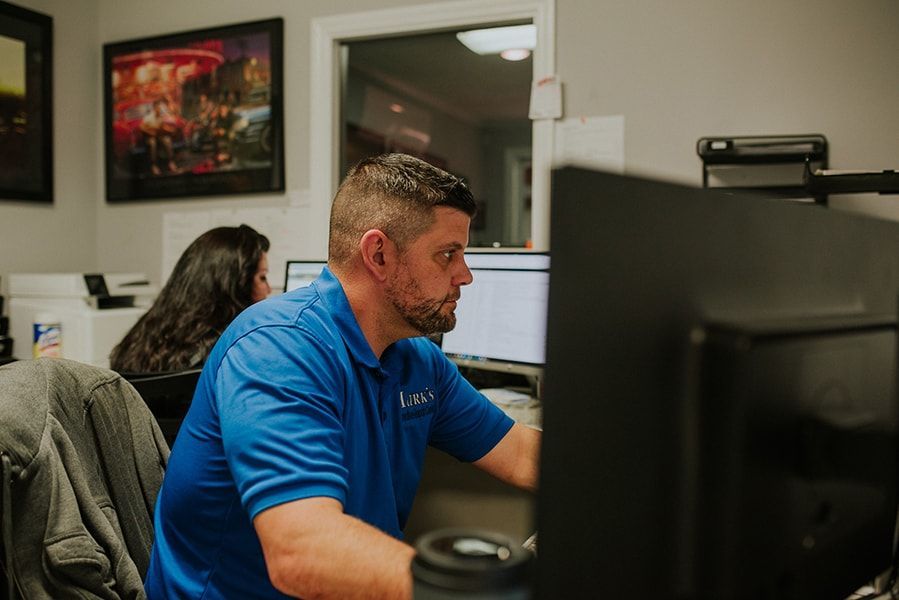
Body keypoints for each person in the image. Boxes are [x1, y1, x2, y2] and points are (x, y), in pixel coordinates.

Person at [144, 154, 542, 599]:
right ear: (379, 254)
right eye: (448, 254)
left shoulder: (415, 359)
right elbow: (302, 552)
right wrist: (478, 588)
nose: (464, 276)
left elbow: (521, 454)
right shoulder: (278, 347)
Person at [109, 224, 271, 374]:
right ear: (237, 286)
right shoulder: (231, 350)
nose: (268, 290)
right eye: (262, 278)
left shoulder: (139, 338)